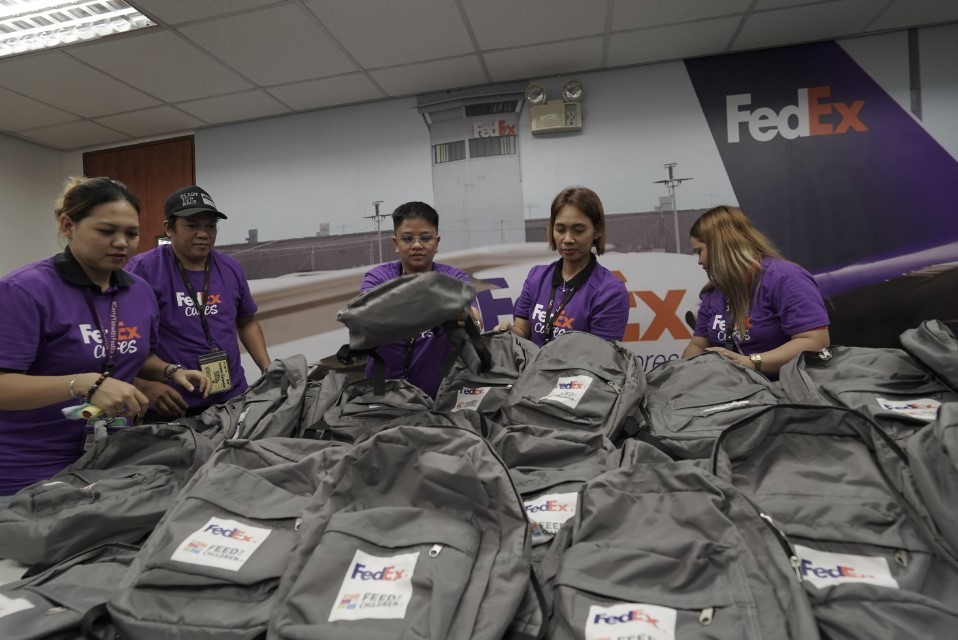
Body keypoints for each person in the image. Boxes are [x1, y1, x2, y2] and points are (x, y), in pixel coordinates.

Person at [0, 177, 209, 504]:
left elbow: (132, 355)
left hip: (106, 459)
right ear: (68, 226)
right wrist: (83, 384)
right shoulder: (24, 290)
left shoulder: (139, 291)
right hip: (26, 470)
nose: (121, 243)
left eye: (131, 233)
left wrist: (171, 371)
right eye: (106, 231)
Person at [126, 186, 271, 420]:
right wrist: (143, 385)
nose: (203, 234)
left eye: (210, 226)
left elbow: (246, 322)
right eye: (192, 226)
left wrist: (267, 368)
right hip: (172, 403)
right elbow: (125, 341)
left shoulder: (231, 268)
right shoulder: (143, 270)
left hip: (232, 397)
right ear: (169, 229)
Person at [681, 205, 830, 377]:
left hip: (786, 389)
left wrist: (751, 362)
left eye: (700, 251)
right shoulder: (714, 291)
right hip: (736, 391)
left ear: (720, 247)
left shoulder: (785, 278)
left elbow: (815, 341)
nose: (699, 261)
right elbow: (699, 345)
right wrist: (682, 375)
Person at [360, 201, 480, 398]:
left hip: (438, 400)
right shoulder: (377, 278)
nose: (417, 245)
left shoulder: (455, 279)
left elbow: (475, 321)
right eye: (407, 238)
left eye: (425, 237)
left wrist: (468, 318)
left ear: (437, 242)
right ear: (396, 243)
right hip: (383, 399)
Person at [496, 186, 629, 346]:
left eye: (578, 230)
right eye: (560, 229)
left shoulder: (609, 291)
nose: (567, 239)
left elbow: (601, 359)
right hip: (532, 370)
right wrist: (510, 332)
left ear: (597, 230)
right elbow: (522, 330)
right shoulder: (536, 277)